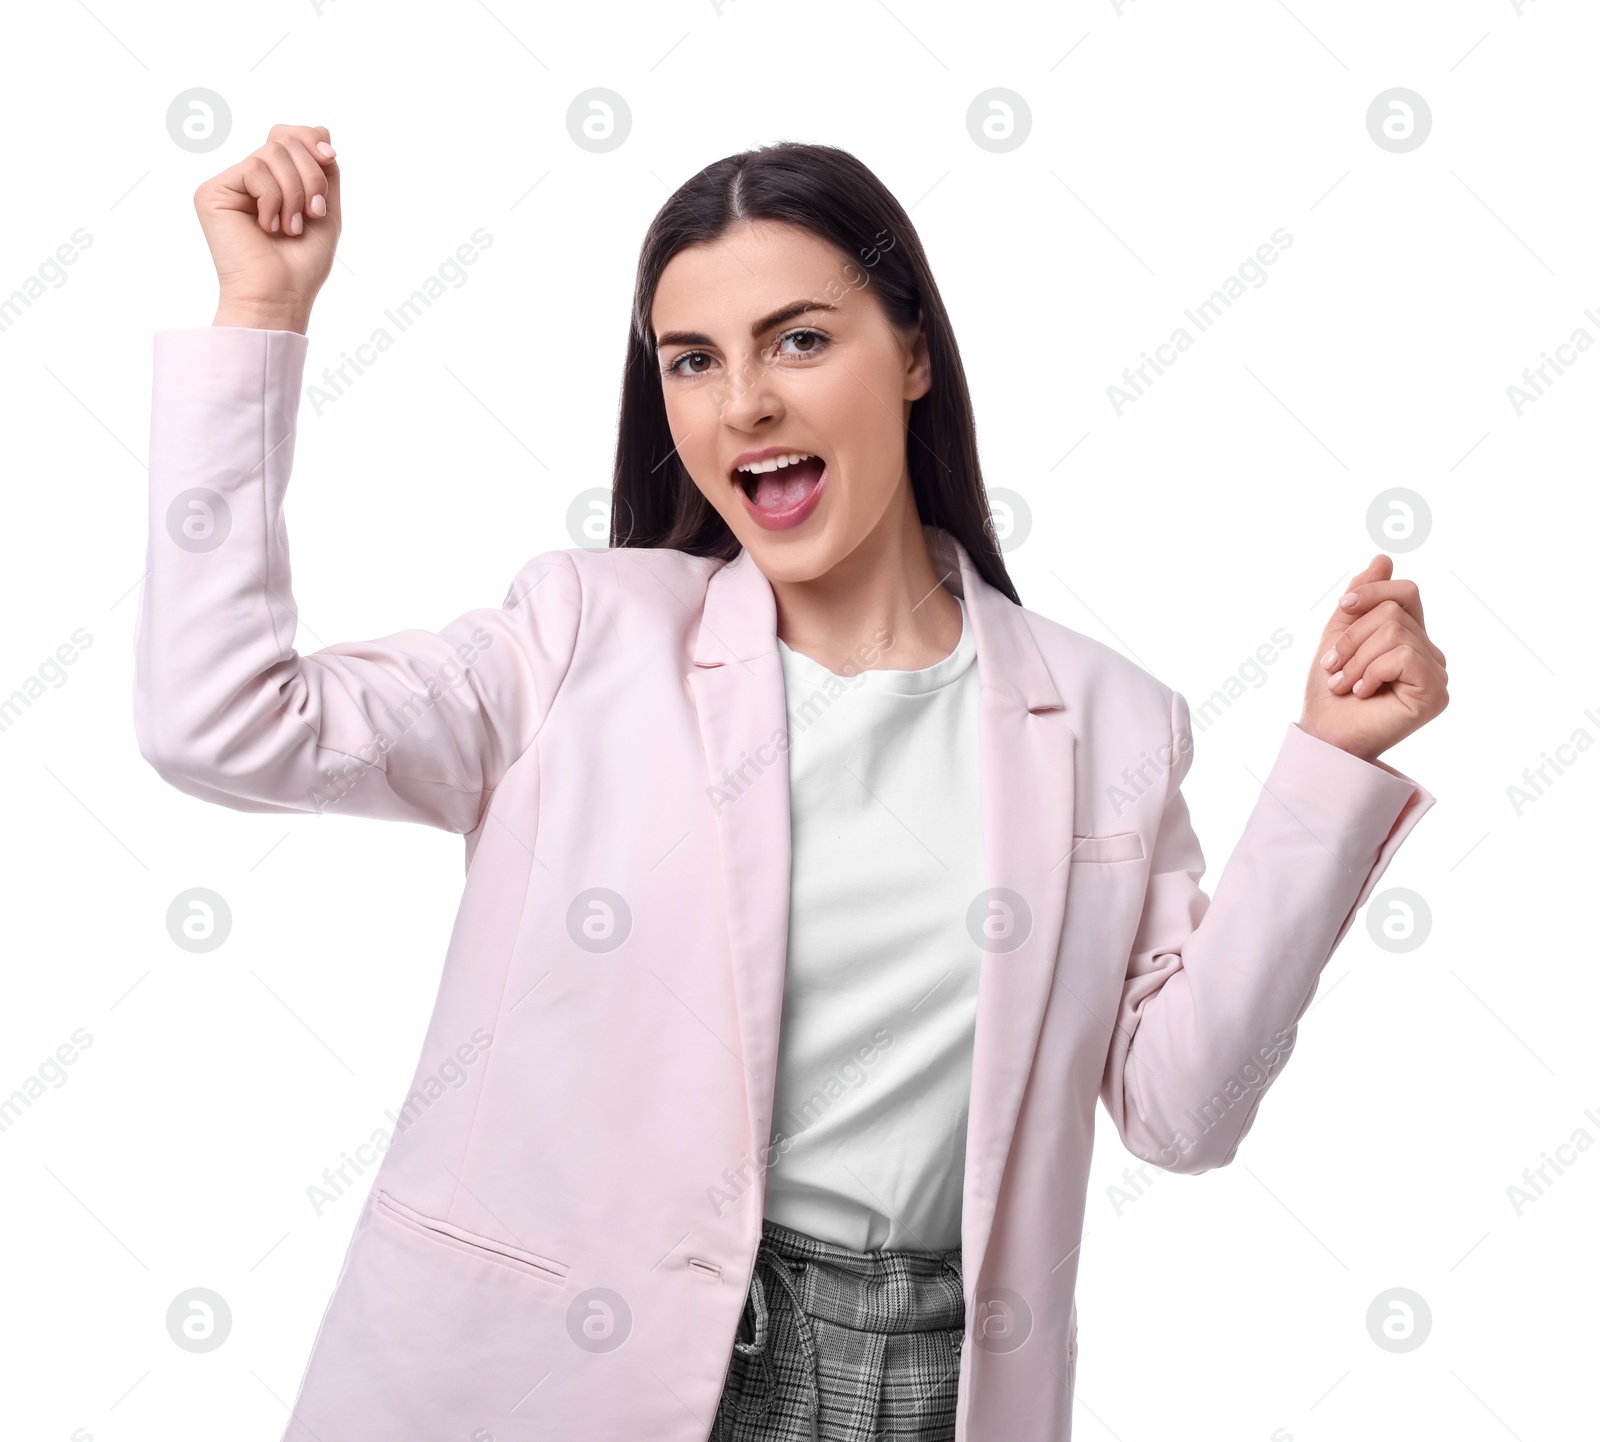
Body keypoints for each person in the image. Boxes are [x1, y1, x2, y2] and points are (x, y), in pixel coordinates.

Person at [135, 125, 1447, 1442]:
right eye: (692, 362)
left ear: (915, 353)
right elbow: (226, 720)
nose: (743, 403)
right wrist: (260, 314)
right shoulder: (579, 635)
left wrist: (1332, 765)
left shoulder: (1107, 718)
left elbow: (1184, 1110)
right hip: (563, 1373)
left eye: (799, 339)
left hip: (930, 1386)